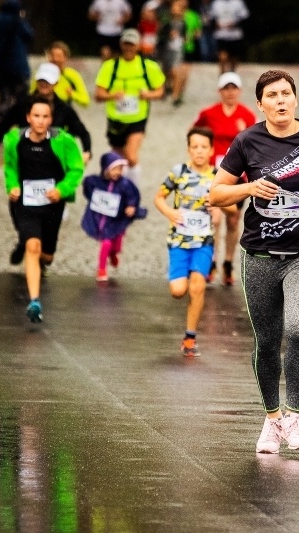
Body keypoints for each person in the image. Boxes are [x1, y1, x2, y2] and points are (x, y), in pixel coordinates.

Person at [209, 70, 299, 453]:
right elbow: (216, 194)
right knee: (268, 341)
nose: (281, 100)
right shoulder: (247, 141)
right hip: (259, 256)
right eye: (272, 95)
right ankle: (272, 421)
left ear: (296, 99)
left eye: (286, 93)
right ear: (260, 104)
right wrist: (250, 187)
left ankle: (295, 416)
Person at [154, 126, 236, 357]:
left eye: (204, 147)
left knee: (198, 286)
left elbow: (232, 210)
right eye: (195, 147)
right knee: (178, 291)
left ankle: (190, 338)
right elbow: (159, 198)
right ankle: (185, 276)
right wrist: (169, 213)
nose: (199, 151)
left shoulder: (218, 177)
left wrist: (219, 204)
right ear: (188, 149)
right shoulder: (178, 173)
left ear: (211, 149)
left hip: (203, 242)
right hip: (179, 240)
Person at [1, 95, 84, 323]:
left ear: (51, 119)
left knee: (46, 255)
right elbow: (9, 167)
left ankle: (42, 263)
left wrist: (62, 189)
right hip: (25, 204)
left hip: (52, 206)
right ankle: (34, 301)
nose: (40, 120)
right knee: (32, 245)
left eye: (45, 116)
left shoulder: (63, 140)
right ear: (28, 117)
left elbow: (76, 169)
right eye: (36, 116)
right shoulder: (14, 140)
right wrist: (13, 186)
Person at [192, 71, 256, 285]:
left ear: (239, 91)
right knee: (214, 217)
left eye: (234, 88)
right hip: (214, 174)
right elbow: (195, 135)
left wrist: (243, 133)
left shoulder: (247, 116)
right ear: (220, 91)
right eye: (226, 88)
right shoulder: (209, 114)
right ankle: (210, 261)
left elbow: (255, 145)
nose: (230, 92)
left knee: (233, 219)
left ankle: (228, 262)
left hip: (238, 175)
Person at [0, 61, 92, 182]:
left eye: (48, 81)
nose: (44, 84)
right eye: (41, 80)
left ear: (56, 83)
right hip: (25, 165)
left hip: (53, 167)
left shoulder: (64, 109)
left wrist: (87, 151)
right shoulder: (22, 105)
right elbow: (2, 127)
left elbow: (82, 132)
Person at [94, 28, 165, 183]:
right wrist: (112, 95)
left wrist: (148, 95)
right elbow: (98, 95)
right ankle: (119, 188)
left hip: (137, 118)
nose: (128, 48)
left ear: (138, 46)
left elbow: (160, 91)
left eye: (132, 44)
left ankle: (133, 189)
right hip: (116, 119)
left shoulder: (148, 67)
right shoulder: (110, 67)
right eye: (126, 44)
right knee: (117, 158)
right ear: (121, 45)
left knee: (131, 156)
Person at [81, 151, 147, 282]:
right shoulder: (96, 182)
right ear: (106, 169)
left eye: (120, 169)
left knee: (116, 245)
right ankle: (101, 269)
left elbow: (132, 196)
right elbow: (87, 186)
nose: (117, 172)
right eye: (114, 169)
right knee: (106, 242)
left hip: (118, 220)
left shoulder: (125, 184)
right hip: (102, 219)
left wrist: (131, 206)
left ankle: (113, 253)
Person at [0, 0, 33, 119]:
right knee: (21, 98)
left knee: (4, 97)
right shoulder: (18, 21)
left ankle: (3, 125)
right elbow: (30, 35)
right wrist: (22, 19)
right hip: (18, 67)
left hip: (0, 66)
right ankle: (21, 124)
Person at [29, 41, 90, 108]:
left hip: (62, 111)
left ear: (66, 58)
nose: (55, 59)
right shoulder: (40, 74)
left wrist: (72, 94)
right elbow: (31, 94)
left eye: (59, 56)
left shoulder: (72, 75)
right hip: (42, 109)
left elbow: (85, 101)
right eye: (52, 55)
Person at [209, 0, 249, 73]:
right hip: (221, 34)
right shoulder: (217, 3)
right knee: (222, 56)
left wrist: (235, 23)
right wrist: (215, 24)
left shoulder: (238, 2)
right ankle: (222, 74)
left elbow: (244, 16)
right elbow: (212, 17)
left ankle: (232, 73)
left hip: (235, 35)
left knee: (234, 57)